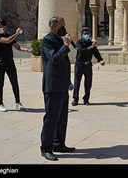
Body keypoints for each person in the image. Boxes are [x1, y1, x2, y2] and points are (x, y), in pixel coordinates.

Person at [40, 16, 75, 161]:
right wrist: (66, 45)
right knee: (51, 118)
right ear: (54, 27)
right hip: (52, 86)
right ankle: (46, 148)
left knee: (62, 117)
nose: (64, 27)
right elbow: (54, 59)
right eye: (62, 25)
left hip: (62, 85)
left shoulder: (57, 39)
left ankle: (59, 143)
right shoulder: (47, 40)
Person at [0, 19, 31, 112]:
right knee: (0, 83)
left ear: (4, 26)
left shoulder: (9, 35)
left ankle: (18, 103)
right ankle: (0, 104)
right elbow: (6, 41)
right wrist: (17, 34)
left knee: (14, 82)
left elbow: (17, 47)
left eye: (0, 26)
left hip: (10, 63)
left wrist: (27, 50)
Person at [71, 27, 105, 106]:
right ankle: (75, 99)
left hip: (88, 64)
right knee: (77, 82)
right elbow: (81, 51)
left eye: (88, 34)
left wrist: (100, 60)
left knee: (88, 83)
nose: (86, 35)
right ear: (82, 34)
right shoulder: (79, 42)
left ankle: (86, 99)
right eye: (85, 34)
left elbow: (96, 52)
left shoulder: (91, 43)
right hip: (79, 64)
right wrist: (91, 47)